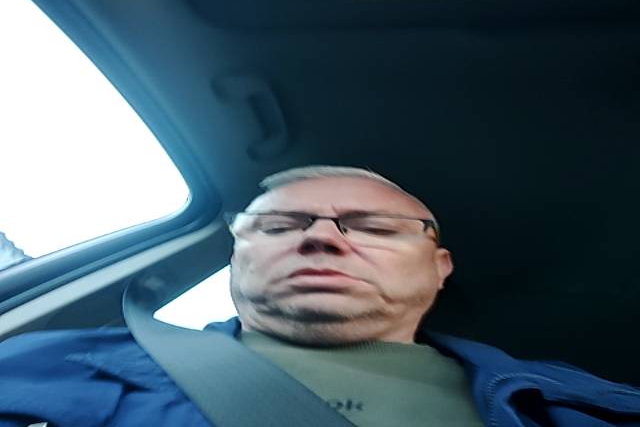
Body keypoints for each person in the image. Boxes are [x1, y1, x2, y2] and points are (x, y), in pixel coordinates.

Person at [0, 165, 639, 427]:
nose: (321, 238)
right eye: (281, 226)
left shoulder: (596, 405)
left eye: (375, 228)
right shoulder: (46, 367)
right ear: (237, 257)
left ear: (439, 267)